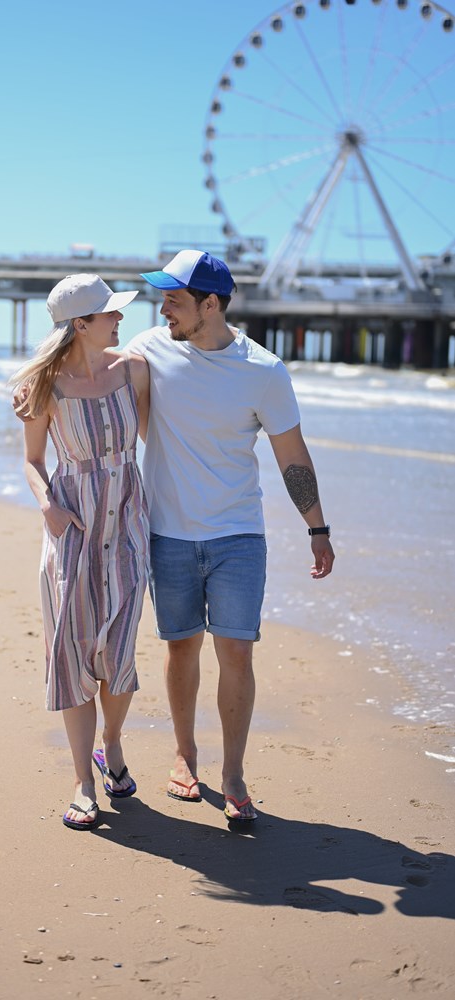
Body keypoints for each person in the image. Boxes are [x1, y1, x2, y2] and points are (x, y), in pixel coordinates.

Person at [126, 249, 335, 823]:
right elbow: (89, 366)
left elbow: (291, 454)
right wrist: (37, 394)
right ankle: (184, 754)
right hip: (167, 532)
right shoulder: (148, 349)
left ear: (210, 304)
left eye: (174, 298)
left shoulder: (263, 371)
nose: (162, 308)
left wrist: (316, 526)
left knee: (236, 652)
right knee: (181, 647)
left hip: (239, 534)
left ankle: (234, 773)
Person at [11, 273, 150, 831]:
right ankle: (82, 782)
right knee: (71, 653)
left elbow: (168, 429)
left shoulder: (133, 370)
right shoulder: (44, 386)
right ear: (81, 324)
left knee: (117, 652)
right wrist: (47, 505)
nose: (120, 319)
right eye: (109, 313)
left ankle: (110, 743)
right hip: (72, 526)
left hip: (128, 523)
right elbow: (32, 460)